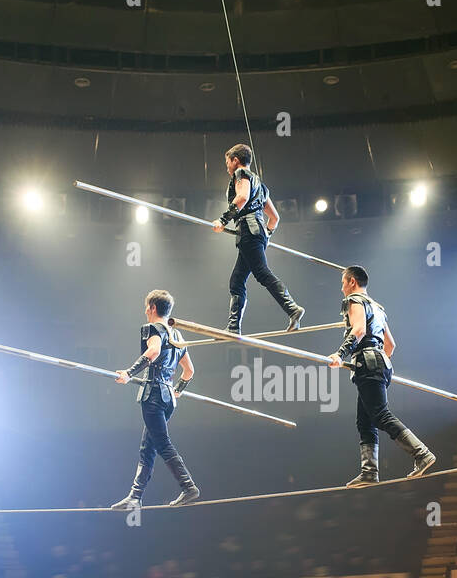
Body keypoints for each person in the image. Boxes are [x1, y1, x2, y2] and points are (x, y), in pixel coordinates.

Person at [327, 265, 434, 487]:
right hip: (379, 364)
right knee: (365, 421)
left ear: (352, 282)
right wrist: (377, 361)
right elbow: (391, 346)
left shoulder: (354, 300)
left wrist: (339, 354)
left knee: (380, 415)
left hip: (368, 363)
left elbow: (358, 330)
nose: (342, 288)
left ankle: (421, 453)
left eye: (343, 283)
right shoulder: (378, 307)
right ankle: (369, 472)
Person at [112, 289, 200, 509]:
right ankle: (135, 496)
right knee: (148, 447)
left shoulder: (152, 329)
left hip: (153, 395)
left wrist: (129, 373)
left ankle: (188, 486)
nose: (145, 312)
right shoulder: (177, 336)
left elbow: (153, 352)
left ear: (152, 308)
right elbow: (189, 371)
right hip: (168, 398)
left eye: (146, 308)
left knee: (162, 444)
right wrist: (177, 389)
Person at [211, 143, 304, 334]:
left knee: (261, 273)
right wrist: (266, 236)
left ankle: (292, 308)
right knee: (237, 281)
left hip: (248, 230)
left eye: (227, 162)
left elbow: (243, 197)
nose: (227, 167)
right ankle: (233, 327)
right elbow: (274, 218)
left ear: (235, 160)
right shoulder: (261, 186)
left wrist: (223, 220)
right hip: (257, 232)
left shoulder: (241, 174)